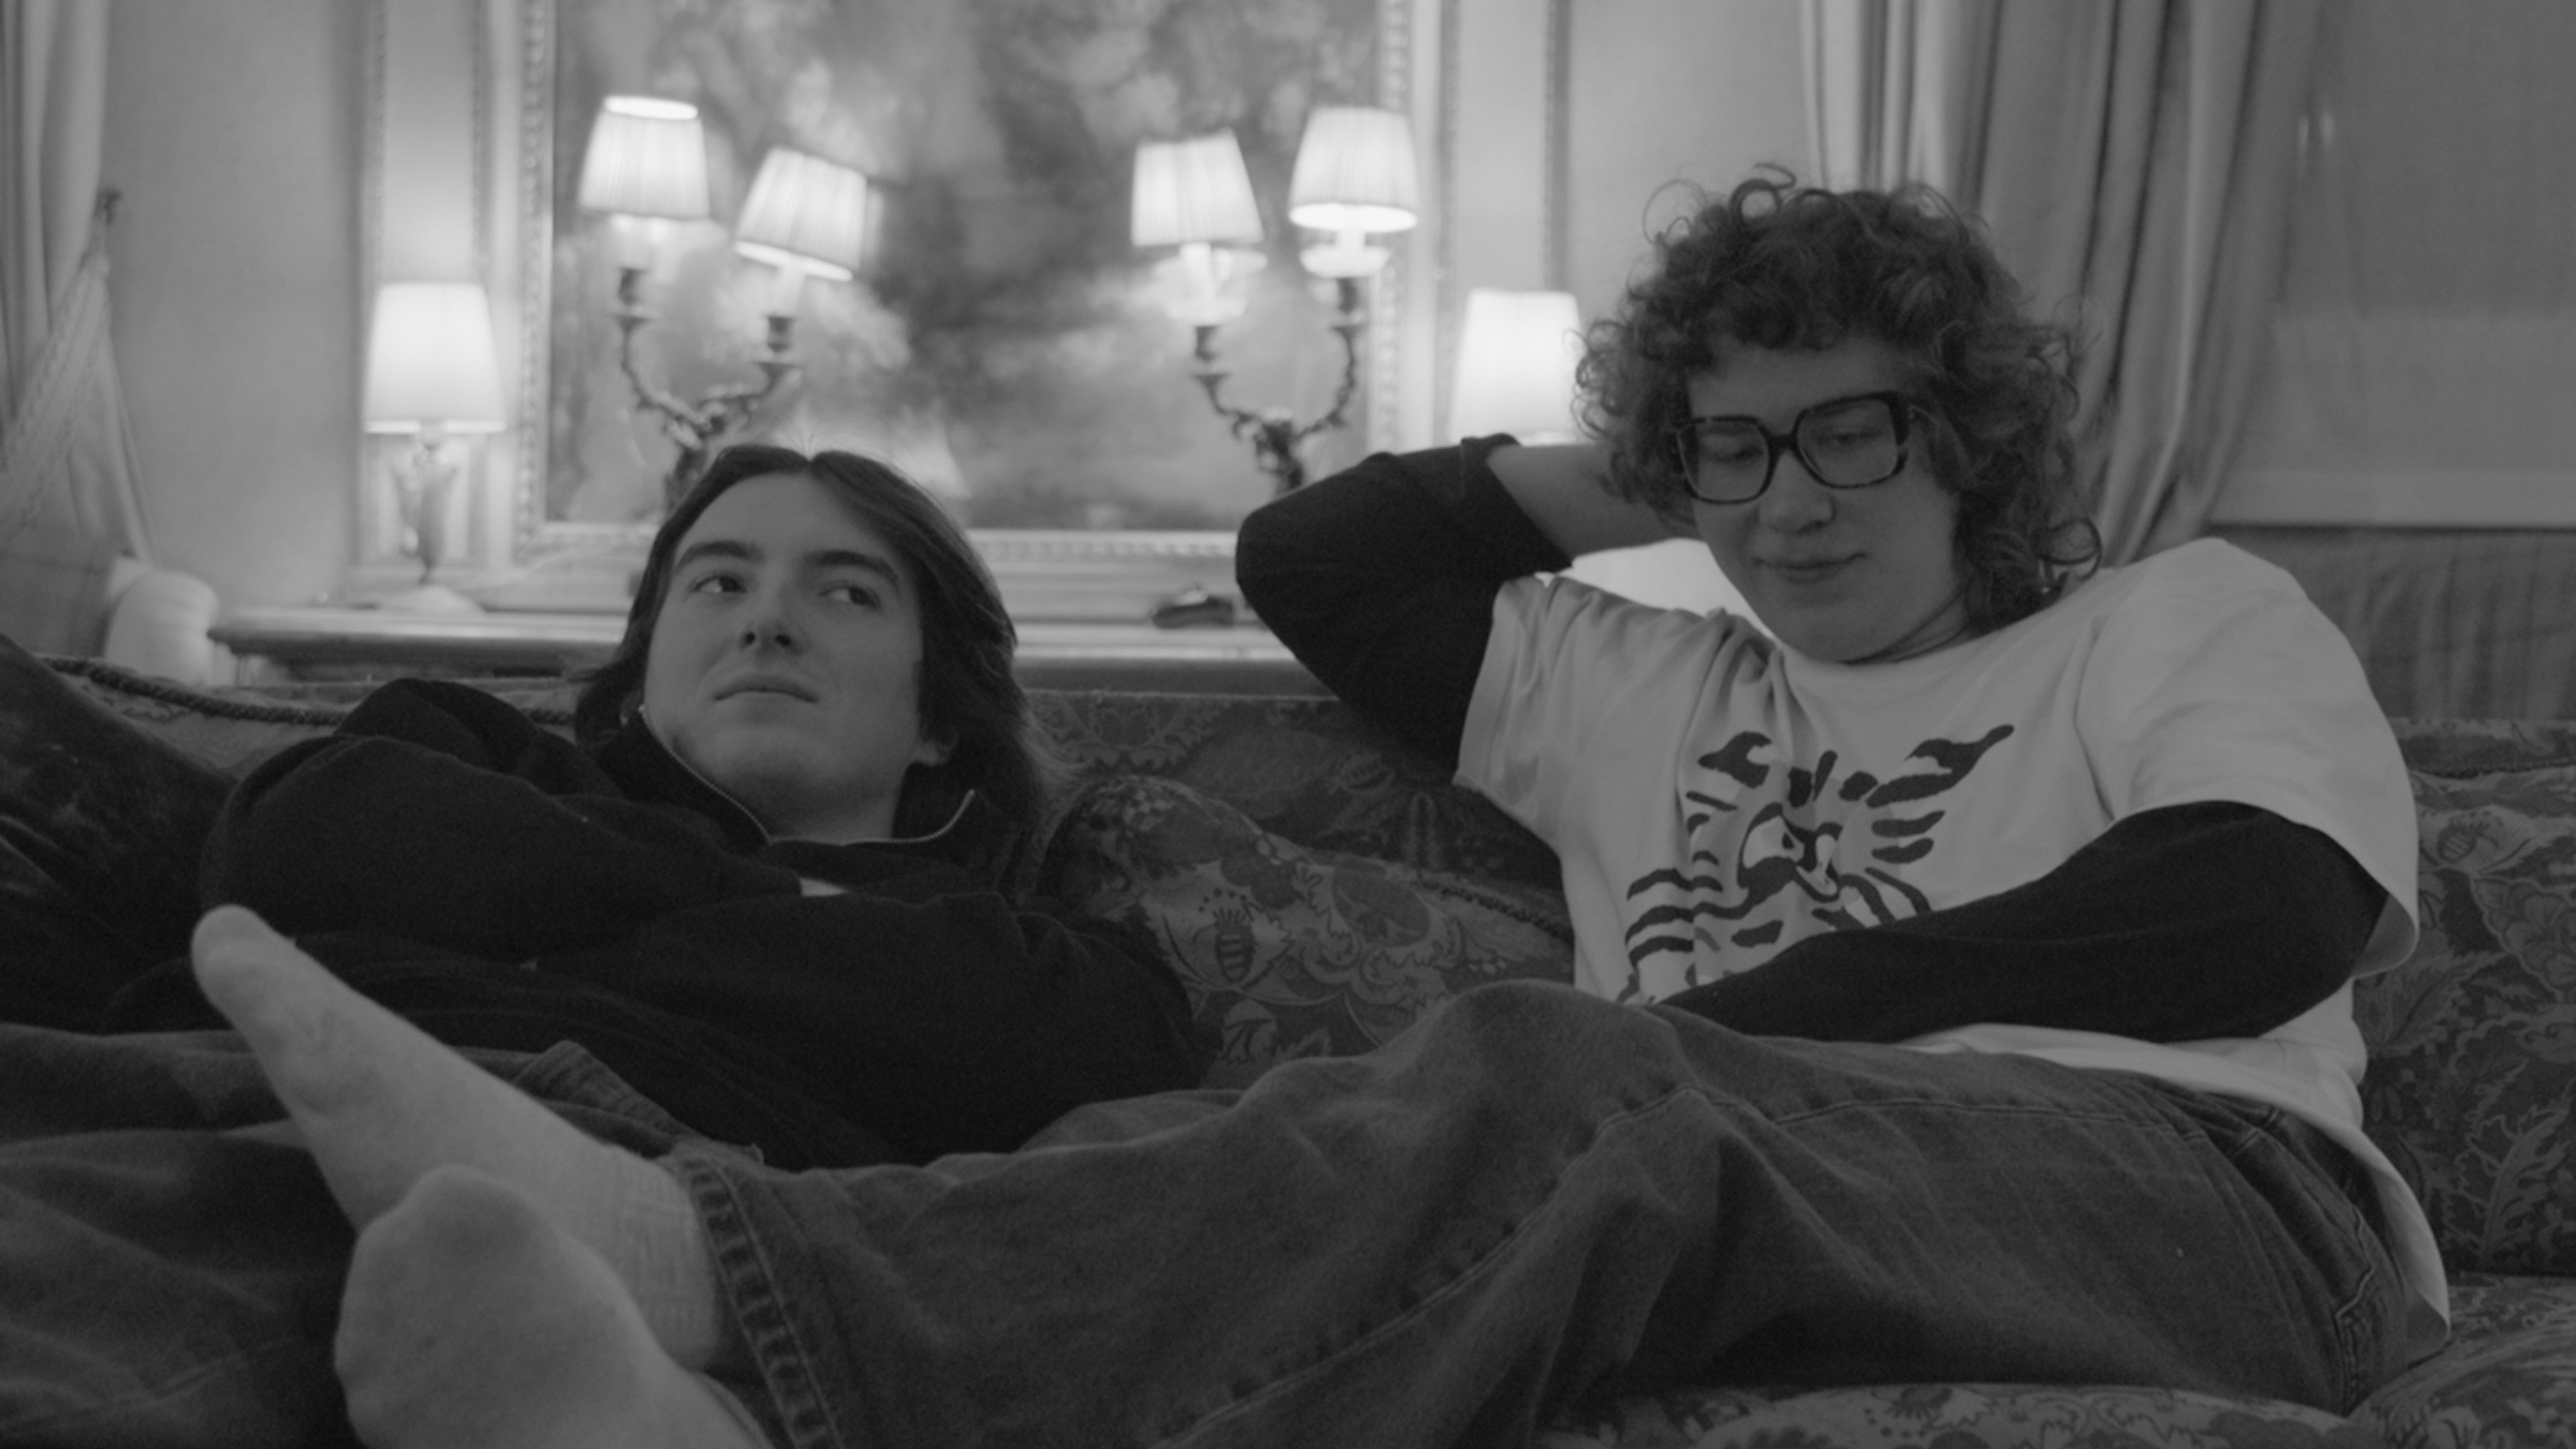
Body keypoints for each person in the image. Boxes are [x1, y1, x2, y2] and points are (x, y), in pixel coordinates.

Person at [164, 174, 2435, 1449]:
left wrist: (1749, 1023)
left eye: (1855, 430)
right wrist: (1661, 450)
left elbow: (2259, 909)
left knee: (1587, 1089)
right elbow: (1318, 563)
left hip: (2205, 1208)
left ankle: (694, 1269)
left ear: (1971, 435)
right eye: (1737, 450)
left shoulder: (2174, 617)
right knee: (1356, 1182)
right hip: (1748, 1208)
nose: (1794, 499)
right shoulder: (1645, 682)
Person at [0, 444, 1205, 1446]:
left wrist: (562, 907)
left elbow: (1113, 1046)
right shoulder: (471, 748)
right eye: (718, 583)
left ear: (940, 717)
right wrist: (777, 909)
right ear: (641, 675)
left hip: (664, 1176)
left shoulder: (1025, 943)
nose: (769, 622)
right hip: (230, 1088)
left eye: (846, 593)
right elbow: (297, 844)